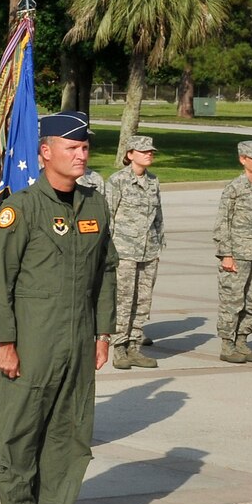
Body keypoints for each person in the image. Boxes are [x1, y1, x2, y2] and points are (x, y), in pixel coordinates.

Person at [0, 112, 115, 504]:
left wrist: (101, 331)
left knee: (70, 430)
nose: (81, 155)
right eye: (72, 147)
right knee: (21, 431)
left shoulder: (94, 205)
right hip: (32, 341)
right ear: (45, 152)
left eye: (84, 148)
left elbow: (105, 272)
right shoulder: (20, 209)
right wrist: (6, 343)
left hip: (77, 341)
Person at [103, 136, 165, 369]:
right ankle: (119, 348)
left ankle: (134, 347)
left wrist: (157, 245)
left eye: (151, 151)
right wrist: (108, 251)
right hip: (124, 251)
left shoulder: (153, 181)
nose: (149, 154)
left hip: (148, 251)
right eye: (143, 151)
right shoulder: (117, 181)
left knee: (143, 301)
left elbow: (158, 216)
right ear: (130, 155)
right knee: (123, 300)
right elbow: (108, 216)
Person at [214, 139, 252, 364]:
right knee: (232, 300)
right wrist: (225, 254)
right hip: (237, 254)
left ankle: (242, 340)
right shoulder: (234, 188)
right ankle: (227, 345)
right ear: (242, 159)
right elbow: (223, 223)